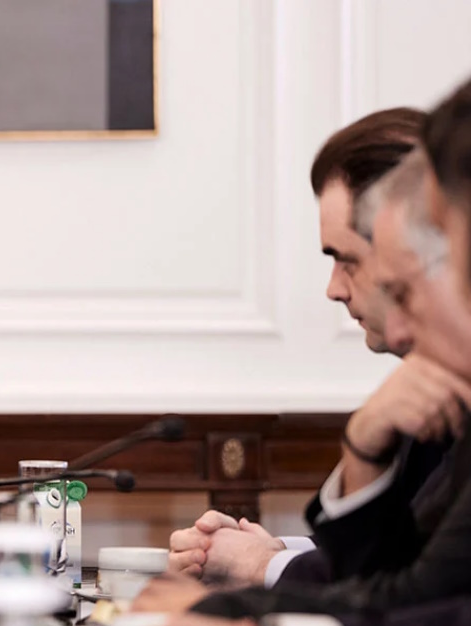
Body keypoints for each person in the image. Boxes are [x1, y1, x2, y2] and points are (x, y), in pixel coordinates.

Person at [169, 108, 448, 588]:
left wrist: (259, 565)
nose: (334, 289)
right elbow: (395, 553)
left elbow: (416, 594)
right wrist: (274, 553)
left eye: (349, 260)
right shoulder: (429, 381)